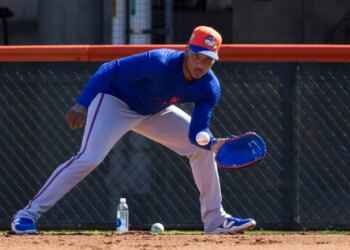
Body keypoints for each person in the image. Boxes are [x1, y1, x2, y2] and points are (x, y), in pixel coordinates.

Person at [11, 26, 256, 234]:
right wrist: (83, 102)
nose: (201, 64)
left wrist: (212, 143)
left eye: (208, 59)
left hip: (155, 110)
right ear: (187, 51)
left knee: (201, 151)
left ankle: (215, 220)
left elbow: (197, 132)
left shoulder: (210, 87)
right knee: (89, 158)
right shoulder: (161, 61)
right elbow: (111, 68)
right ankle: (27, 215)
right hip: (115, 102)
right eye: (197, 56)